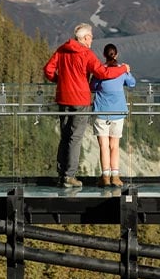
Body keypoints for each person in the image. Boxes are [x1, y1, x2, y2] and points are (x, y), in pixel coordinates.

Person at [43, 23, 130, 188]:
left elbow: (48, 70)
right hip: (80, 100)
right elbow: (103, 73)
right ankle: (69, 176)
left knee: (65, 136)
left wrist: (60, 81)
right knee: (75, 138)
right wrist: (123, 69)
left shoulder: (62, 50)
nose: (91, 40)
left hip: (63, 98)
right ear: (84, 38)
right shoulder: (86, 54)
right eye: (90, 37)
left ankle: (62, 175)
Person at [90, 44, 136, 188]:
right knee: (114, 146)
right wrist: (127, 70)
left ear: (104, 55)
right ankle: (115, 177)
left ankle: (105, 176)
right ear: (116, 55)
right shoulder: (122, 71)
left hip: (101, 111)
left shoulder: (100, 71)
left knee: (103, 146)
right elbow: (132, 83)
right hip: (118, 112)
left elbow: (92, 87)